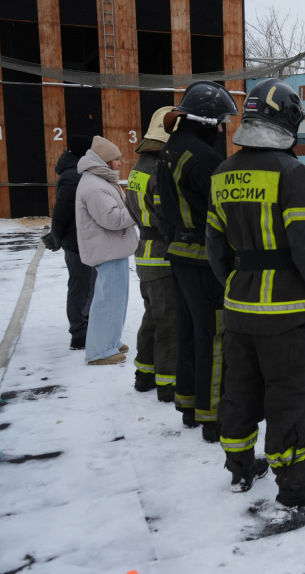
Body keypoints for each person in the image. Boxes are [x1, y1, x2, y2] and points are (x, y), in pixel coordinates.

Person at [206, 78, 305, 505]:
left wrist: (238, 284)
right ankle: (295, 483)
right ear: (285, 121)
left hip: (239, 307)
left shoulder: (222, 173)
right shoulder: (291, 173)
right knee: (289, 394)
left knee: (241, 389)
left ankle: (241, 467)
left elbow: (215, 248)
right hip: (286, 313)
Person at [156, 81, 239, 442]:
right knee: (215, 335)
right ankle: (212, 415)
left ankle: (189, 404)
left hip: (178, 254)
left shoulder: (170, 149)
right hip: (205, 259)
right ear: (205, 120)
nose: (221, 128)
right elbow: (224, 213)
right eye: (219, 121)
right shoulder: (204, 158)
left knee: (189, 332)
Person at [125, 106, 178, 401]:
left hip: (144, 251)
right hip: (161, 253)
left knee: (152, 315)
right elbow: (166, 215)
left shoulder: (137, 168)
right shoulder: (159, 169)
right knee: (168, 319)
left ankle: (144, 373)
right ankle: (168, 381)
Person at [75, 136, 138, 365]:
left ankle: (110, 341)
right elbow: (111, 219)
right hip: (108, 250)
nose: (121, 163)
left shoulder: (100, 181)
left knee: (116, 299)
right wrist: (138, 209)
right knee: (108, 301)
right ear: (105, 160)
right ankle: (100, 350)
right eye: (116, 159)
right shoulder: (94, 186)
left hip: (113, 248)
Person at [44, 134, 96, 350]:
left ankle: (86, 326)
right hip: (76, 241)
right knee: (80, 285)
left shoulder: (77, 172)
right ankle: (79, 333)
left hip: (83, 238)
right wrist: (56, 235)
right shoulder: (73, 176)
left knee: (88, 284)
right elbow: (62, 210)